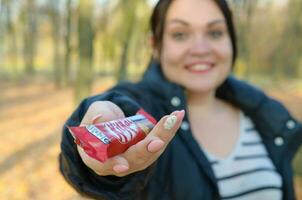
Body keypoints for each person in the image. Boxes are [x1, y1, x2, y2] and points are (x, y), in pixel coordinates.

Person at [59, 0, 302, 199]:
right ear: (155, 45)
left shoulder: (263, 115)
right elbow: (91, 174)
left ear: (231, 41)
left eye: (215, 32)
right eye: (180, 34)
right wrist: (94, 157)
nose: (200, 48)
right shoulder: (144, 109)